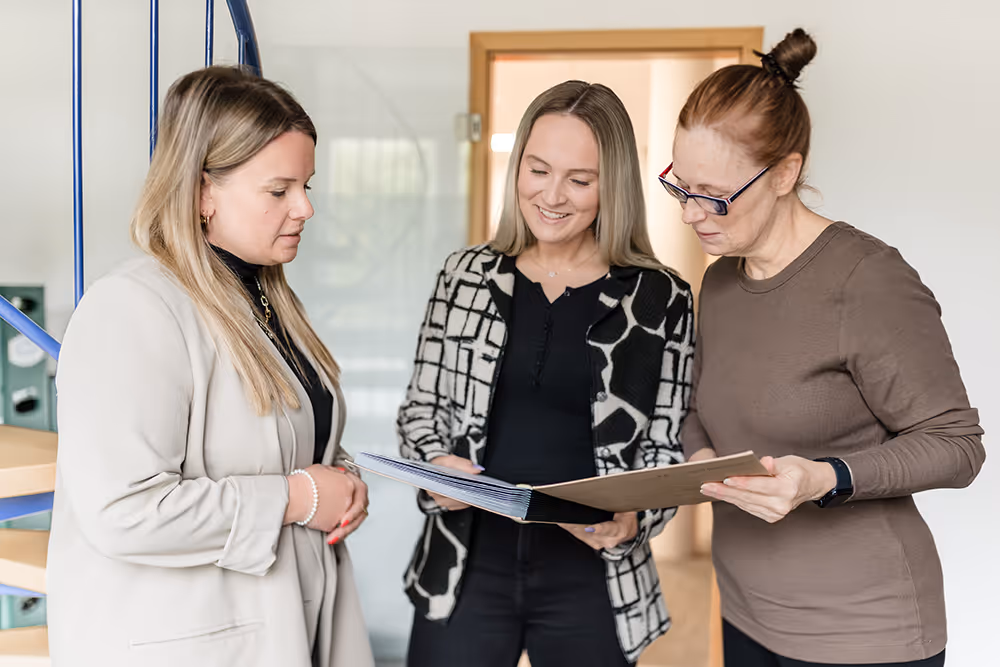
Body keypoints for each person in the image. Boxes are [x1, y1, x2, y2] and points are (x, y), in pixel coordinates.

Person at [663, 29, 986, 667]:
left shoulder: (867, 279)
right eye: (681, 186)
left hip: (864, 632)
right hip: (745, 610)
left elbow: (957, 446)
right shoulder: (720, 279)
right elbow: (703, 409)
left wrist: (825, 479)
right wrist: (700, 466)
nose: (692, 214)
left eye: (715, 196)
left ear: (786, 173)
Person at [47, 66, 375, 667]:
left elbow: (271, 444)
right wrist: (295, 498)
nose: (304, 208)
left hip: (286, 620)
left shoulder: (264, 299)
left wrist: (339, 481)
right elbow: (122, 511)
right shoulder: (132, 309)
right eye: (279, 191)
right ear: (202, 192)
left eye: (307, 186)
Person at [397, 80, 695, 667]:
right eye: (538, 169)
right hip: (464, 561)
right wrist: (435, 467)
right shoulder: (464, 276)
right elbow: (420, 411)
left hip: (594, 576)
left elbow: (667, 448)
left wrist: (636, 519)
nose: (552, 195)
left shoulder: (662, 298)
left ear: (612, 186)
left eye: (579, 180)